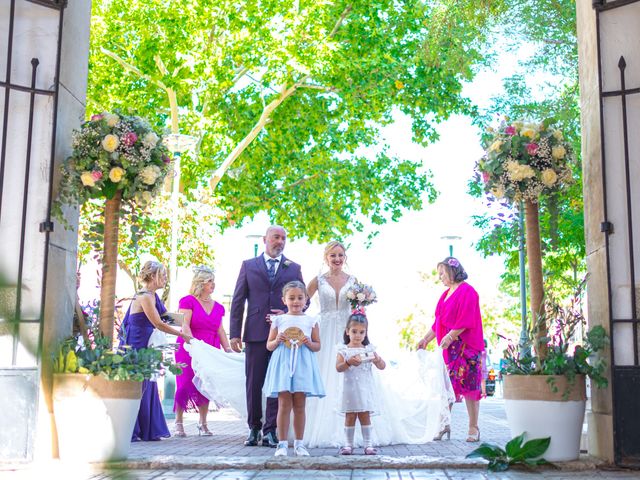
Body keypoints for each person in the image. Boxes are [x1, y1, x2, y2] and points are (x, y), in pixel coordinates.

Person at [304, 241, 455, 448]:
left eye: (340, 255)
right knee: (326, 374)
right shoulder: (317, 281)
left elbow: (359, 312)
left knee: (356, 377)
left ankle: (360, 434)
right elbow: (301, 303)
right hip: (326, 331)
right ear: (326, 258)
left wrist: (361, 311)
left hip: (349, 333)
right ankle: (320, 428)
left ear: (345, 258)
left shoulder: (353, 280)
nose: (337, 259)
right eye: (333, 255)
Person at [229, 225, 305, 447]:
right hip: (254, 333)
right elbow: (237, 300)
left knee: (277, 383)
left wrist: (288, 312)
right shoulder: (248, 266)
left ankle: (270, 431)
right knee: (253, 382)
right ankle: (254, 428)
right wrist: (235, 334)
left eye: (283, 238)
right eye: (276, 237)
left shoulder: (294, 268)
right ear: (265, 239)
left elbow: (305, 299)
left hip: (283, 335)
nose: (279, 241)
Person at [118, 261, 193, 441]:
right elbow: (158, 323)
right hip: (136, 346)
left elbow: (167, 318)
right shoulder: (144, 296)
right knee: (138, 385)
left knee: (148, 384)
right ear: (152, 276)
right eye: (163, 275)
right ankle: (133, 430)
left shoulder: (154, 297)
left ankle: (147, 429)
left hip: (147, 345)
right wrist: (182, 335)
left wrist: (186, 325)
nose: (166, 279)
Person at [417, 256, 485, 442]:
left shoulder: (468, 291)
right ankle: (444, 424)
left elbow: (467, 318)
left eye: (442, 273)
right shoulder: (445, 295)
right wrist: (426, 339)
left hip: (466, 346)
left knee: (470, 388)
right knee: (446, 387)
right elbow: (438, 321)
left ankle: (473, 428)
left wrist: (450, 336)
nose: (440, 277)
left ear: (452, 272)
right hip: (448, 348)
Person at [263, 281, 325, 457]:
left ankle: (299, 443)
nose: (296, 301)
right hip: (283, 363)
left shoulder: (311, 321)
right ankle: (282, 444)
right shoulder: (279, 320)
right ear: (284, 300)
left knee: (300, 405)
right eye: (292, 298)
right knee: (283, 404)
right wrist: (278, 341)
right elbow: (269, 345)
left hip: (302, 364)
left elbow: (317, 345)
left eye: (300, 297)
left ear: (306, 299)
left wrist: (309, 342)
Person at [173, 266, 231, 437]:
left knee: (205, 385)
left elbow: (220, 330)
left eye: (213, 281)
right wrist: (193, 345)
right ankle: (178, 422)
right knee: (184, 384)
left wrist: (227, 349)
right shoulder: (188, 301)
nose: (213, 284)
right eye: (209, 281)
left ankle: (203, 423)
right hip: (188, 347)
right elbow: (184, 324)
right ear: (200, 283)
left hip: (210, 349)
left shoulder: (219, 307)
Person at [336, 311, 386, 455]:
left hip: (364, 389)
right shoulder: (343, 350)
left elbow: (382, 366)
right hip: (349, 389)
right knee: (350, 416)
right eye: (354, 331)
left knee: (365, 414)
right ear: (347, 331)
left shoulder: (369, 349)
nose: (358, 335)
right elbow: (338, 368)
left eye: (361, 332)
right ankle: (348, 444)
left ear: (366, 333)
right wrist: (348, 362)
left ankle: (368, 445)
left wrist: (377, 360)